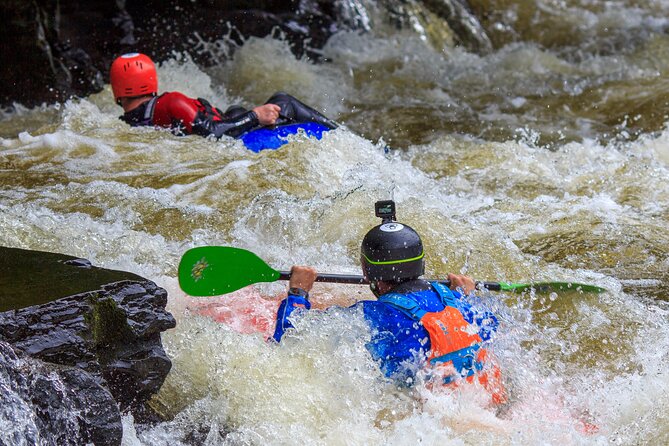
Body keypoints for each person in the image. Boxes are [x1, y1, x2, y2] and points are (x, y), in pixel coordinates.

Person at [272, 201, 507, 406]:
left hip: (428, 418)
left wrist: (298, 292)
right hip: (486, 404)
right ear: (421, 265)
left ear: (366, 271)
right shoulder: (460, 303)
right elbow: (493, 330)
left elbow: (292, 341)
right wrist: (468, 296)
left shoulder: (372, 315)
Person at [109, 53, 338, 139]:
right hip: (232, 136)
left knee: (234, 109)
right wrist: (255, 116)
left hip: (224, 123)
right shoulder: (171, 102)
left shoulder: (125, 125)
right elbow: (212, 134)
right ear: (151, 80)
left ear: (117, 89)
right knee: (283, 100)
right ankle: (344, 137)